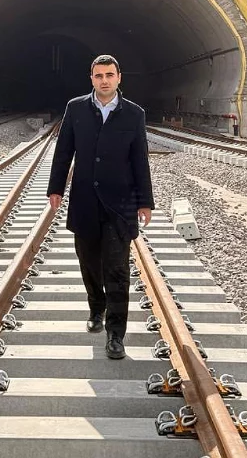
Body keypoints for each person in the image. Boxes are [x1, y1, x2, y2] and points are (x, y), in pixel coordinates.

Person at [46, 55, 154, 359]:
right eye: (98, 75)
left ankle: (116, 333)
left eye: (109, 75)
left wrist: (145, 201)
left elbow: (139, 160)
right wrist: (56, 187)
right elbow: (64, 149)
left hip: (119, 204)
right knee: (88, 261)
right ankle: (96, 307)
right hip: (84, 200)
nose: (104, 80)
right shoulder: (76, 108)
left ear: (119, 77)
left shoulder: (134, 114)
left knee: (117, 270)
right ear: (91, 78)